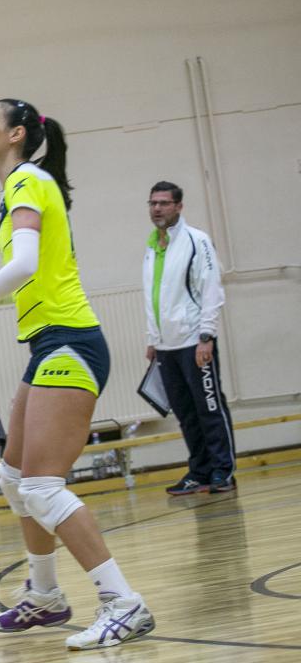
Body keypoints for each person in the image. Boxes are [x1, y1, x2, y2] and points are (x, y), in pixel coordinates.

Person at [0, 99, 154, 650]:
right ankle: (46, 596)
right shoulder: (24, 185)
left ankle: (123, 603)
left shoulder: (26, 180)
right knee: (14, 477)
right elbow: (32, 271)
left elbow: (26, 264)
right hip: (49, 345)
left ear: (16, 135)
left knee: (40, 486)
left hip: (70, 342)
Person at [143, 181, 235, 495]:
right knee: (185, 414)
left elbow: (211, 289)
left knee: (209, 408)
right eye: (153, 203)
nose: (157, 208)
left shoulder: (197, 240)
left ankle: (223, 470)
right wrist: (153, 339)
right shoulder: (152, 246)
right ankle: (200, 471)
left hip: (194, 342)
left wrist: (206, 336)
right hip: (166, 348)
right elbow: (154, 295)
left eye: (164, 203)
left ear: (179, 207)